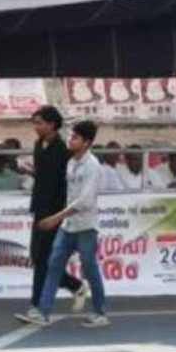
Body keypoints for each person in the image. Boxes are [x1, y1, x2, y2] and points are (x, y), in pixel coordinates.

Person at [16, 120, 109, 328]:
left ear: (86, 142)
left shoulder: (92, 166)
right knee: (53, 265)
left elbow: (84, 201)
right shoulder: (71, 163)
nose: (70, 139)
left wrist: (55, 218)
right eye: (70, 136)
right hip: (68, 226)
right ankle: (43, 311)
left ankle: (100, 311)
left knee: (90, 269)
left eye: (75, 137)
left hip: (86, 227)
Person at [24, 106, 87, 318]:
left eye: (39, 122)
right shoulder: (38, 145)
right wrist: (30, 172)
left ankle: (37, 305)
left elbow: (63, 182)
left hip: (54, 210)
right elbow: (43, 176)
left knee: (43, 259)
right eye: (34, 122)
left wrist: (59, 215)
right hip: (40, 208)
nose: (36, 127)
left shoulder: (62, 150)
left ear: (52, 124)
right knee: (37, 256)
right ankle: (75, 285)